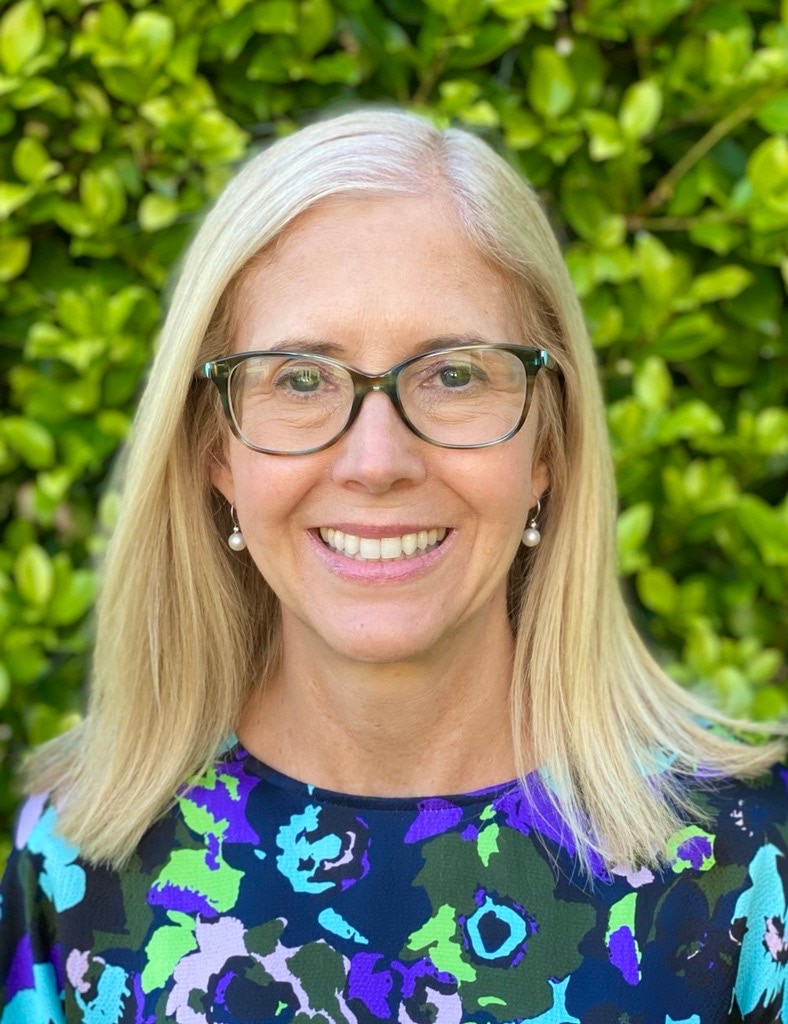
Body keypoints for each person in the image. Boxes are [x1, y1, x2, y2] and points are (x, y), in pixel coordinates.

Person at [0, 108, 786, 1024]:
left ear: (548, 444)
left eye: (453, 374)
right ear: (216, 450)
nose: (377, 462)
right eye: (299, 379)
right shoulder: (79, 866)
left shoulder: (746, 868)